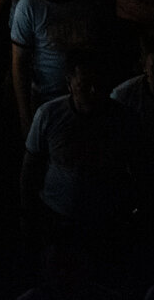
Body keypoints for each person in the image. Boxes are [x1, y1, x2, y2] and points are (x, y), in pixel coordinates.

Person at [22, 49, 136, 230]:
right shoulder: (48, 115)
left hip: (106, 219)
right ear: (69, 83)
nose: (93, 91)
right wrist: (30, 214)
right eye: (85, 84)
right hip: (57, 217)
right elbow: (30, 169)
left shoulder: (122, 119)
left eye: (99, 84)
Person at [10, 0, 111, 132]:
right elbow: (19, 62)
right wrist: (24, 115)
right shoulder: (29, 6)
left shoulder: (90, 0)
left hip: (90, 96)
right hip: (47, 99)